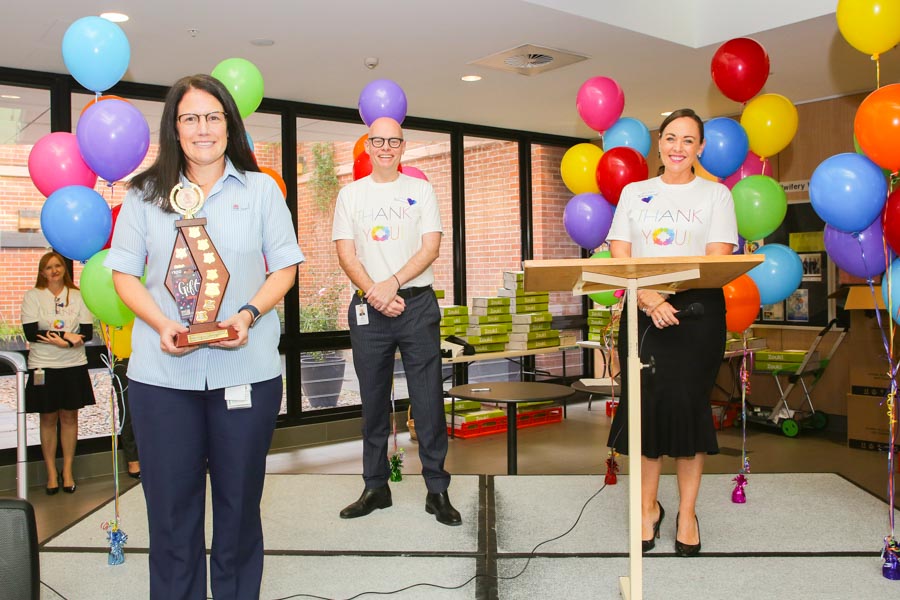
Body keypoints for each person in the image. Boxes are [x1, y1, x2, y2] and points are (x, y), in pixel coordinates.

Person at [105, 74, 304, 600]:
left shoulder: (261, 190)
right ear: (174, 128)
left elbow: (284, 268)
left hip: (246, 374)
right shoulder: (144, 194)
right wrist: (161, 322)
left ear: (229, 124)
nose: (203, 128)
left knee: (239, 510)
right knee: (171, 514)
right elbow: (123, 273)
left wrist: (247, 312)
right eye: (190, 118)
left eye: (213, 117)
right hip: (163, 378)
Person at [605, 108, 738, 556]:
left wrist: (667, 295)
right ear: (658, 143)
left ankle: (685, 512)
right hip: (642, 312)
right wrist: (649, 299)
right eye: (670, 137)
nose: (678, 147)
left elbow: (715, 261)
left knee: (686, 410)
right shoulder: (634, 192)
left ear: (700, 148)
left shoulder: (715, 195)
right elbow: (620, 256)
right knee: (645, 413)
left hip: (698, 315)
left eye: (688, 140)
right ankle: (647, 509)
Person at [332, 117, 460, 526]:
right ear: (367, 146)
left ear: (403, 146)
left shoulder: (420, 190)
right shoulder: (350, 195)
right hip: (370, 307)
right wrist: (376, 291)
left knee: (428, 402)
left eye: (394, 141)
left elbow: (432, 246)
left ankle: (437, 491)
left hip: (417, 304)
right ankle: (375, 487)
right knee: (371, 401)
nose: (386, 146)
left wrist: (392, 283)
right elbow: (345, 252)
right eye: (378, 140)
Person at [21, 251, 95, 495]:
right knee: (48, 418)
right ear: (42, 272)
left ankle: (68, 471)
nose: (54, 271)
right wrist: (65, 337)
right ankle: (51, 472)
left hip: (73, 365)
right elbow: (31, 333)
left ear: (64, 269)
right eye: (48, 267)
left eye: (58, 266)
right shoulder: (33, 296)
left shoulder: (77, 295)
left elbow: (87, 332)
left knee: (70, 417)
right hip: (43, 365)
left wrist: (71, 342)